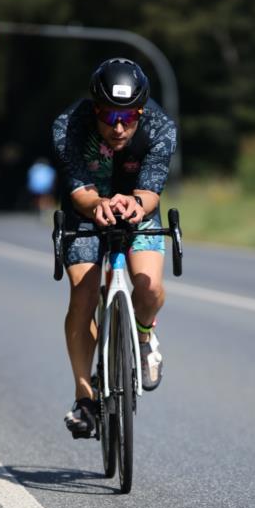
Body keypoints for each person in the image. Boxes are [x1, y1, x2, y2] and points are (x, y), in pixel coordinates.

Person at [52, 57, 177, 438]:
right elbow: (79, 190)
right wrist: (97, 206)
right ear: (95, 109)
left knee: (149, 287)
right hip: (86, 209)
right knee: (84, 292)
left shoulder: (161, 127)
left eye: (129, 116)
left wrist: (135, 205)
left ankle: (142, 336)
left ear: (141, 110)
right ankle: (84, 397)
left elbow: (151, 191)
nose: (119, 127)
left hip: (136, 208)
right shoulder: (69, 126)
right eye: (109, 117)